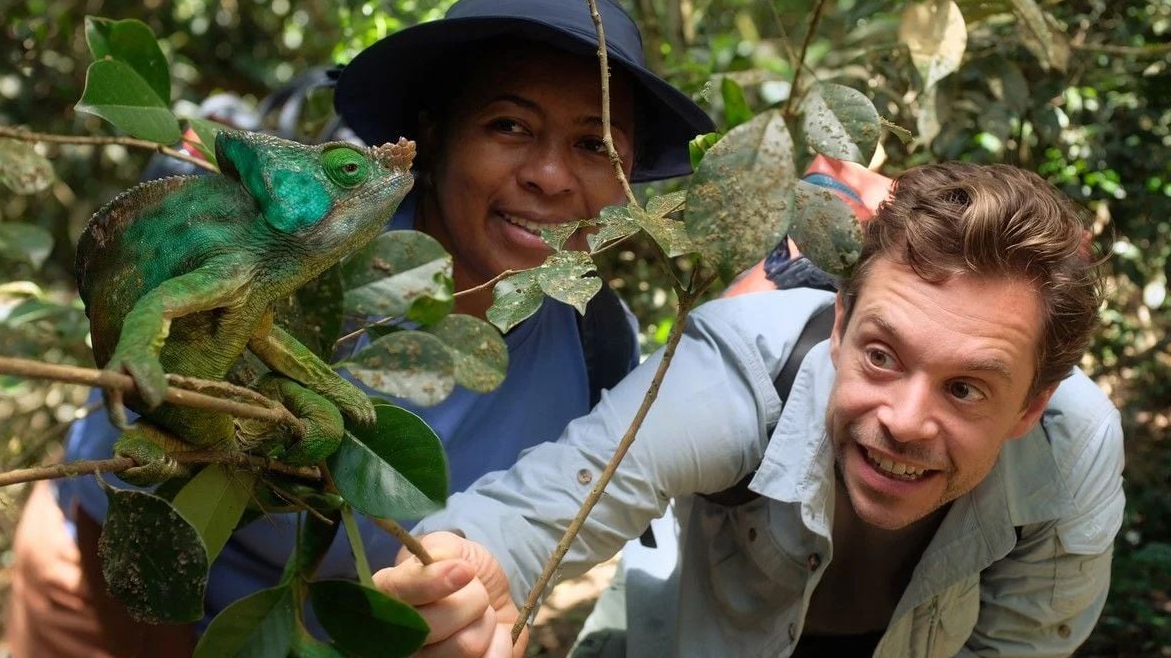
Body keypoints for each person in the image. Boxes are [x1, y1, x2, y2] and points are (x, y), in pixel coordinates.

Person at [4, 0, 714, 656]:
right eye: (509, 126)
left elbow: (517, 560)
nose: (550, 176)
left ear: (626, 184)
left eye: (594, 146)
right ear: (435, 137)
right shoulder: (310, 265)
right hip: (114, 586)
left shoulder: (598, 343)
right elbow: (120, 501)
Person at [373, 162, 1126, 657]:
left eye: (966, 389)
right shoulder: (736, 372)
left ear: (1030, 406)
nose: (904, 419)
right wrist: (470, 570)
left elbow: (1022, 642)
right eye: (881, 355)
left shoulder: (1071, 448)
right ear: (838, 326)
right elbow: (554, 500)